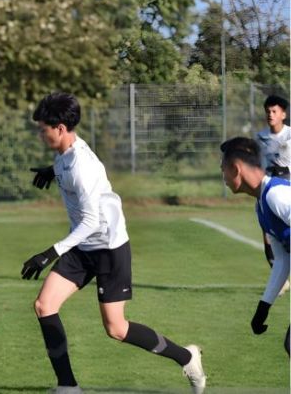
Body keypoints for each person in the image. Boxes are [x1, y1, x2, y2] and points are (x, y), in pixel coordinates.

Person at [20, 92, 206, 394]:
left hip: (108, 247)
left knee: (116, 329)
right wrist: (50, 171)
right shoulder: (64, 155)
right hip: (83, 248)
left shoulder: (83, 165)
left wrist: (49, 253)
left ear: (61, 128)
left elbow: (92, 221)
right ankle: (68, 387)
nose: (40, 135)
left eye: (43, 129)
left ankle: (187, 357)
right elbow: (66, 171)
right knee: (44, 305)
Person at [219, 137, 290, 355]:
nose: (224, 179)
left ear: (236, 168)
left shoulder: (277, 195)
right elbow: (282, 261)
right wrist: (264, 307)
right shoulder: (261, 208)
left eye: (223, 170)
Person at [254, 96, 291, 287]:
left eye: (274, 111)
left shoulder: (290, 136)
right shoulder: (260, 138)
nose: (270, 114)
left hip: (287, 195)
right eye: (268, 111)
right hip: (267, 193)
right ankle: (281, 280)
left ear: (283, 114)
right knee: (268, 236)